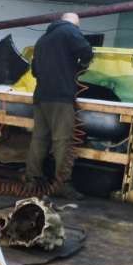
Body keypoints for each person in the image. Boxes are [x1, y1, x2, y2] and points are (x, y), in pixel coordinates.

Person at [26, 13, 93, 199]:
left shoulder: (42, 39)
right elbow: (86, 51)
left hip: (41, 97)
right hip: (61, 97)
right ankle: (62, 184)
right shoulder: (69, 31)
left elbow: (34, 70)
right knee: (62, 140)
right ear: (74, 24)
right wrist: (81, 65)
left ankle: (32, 180)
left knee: (39, 139)